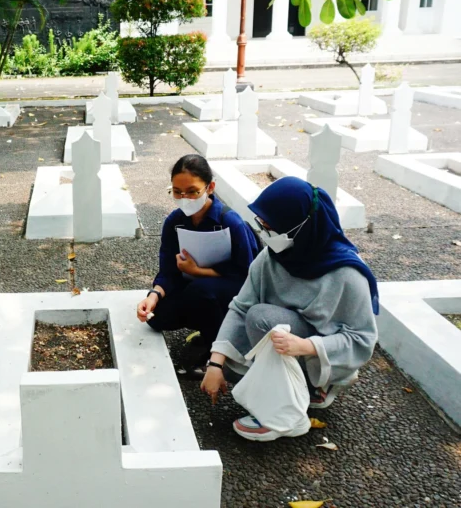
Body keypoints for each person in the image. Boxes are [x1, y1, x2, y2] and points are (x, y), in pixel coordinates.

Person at [200, 177, 379, 441]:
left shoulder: (346, 274)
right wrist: (215, 362)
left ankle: (288, 413)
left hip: (319, 351)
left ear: (302, 226)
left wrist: (308, 347)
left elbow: (362, 339)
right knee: (226, 368)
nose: (265, 232)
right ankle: (296, 384)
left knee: (262, 318)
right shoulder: (273, 257)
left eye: (271, 227)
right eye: (263, 224)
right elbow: (240, 307)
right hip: (285, 339)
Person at [136, 155, 260, 376]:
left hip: (231, 289)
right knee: (158, 317)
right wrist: (153, 295)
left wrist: (198, 271)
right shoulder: (174, 222)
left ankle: (218, 354)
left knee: (200, 292)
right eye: (177, 191)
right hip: (192, 287)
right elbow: (168, 270)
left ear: (210, 187)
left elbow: (247, 274)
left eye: (193, 191)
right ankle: (207, 326)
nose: (184, 198)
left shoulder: (230, 221)